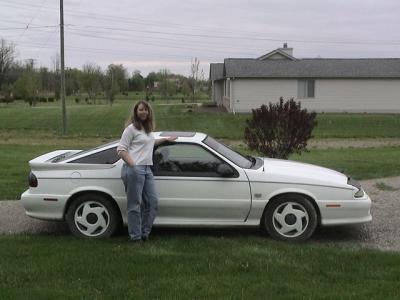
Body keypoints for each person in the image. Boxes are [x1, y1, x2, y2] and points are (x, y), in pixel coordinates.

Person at [117, 100, 176, 243]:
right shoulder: (131, 129)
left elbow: (150, 142)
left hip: (147, 169)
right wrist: (134, 165)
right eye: (141, 110)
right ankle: (135, 237)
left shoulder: (147, 130)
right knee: (134, 205)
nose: (144, 112)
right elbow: (121, 150)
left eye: (146, 110)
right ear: (136, 112)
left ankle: (144, 233)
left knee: (152, 202)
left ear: (149, 113)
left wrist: (165, 139)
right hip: (134, 169)